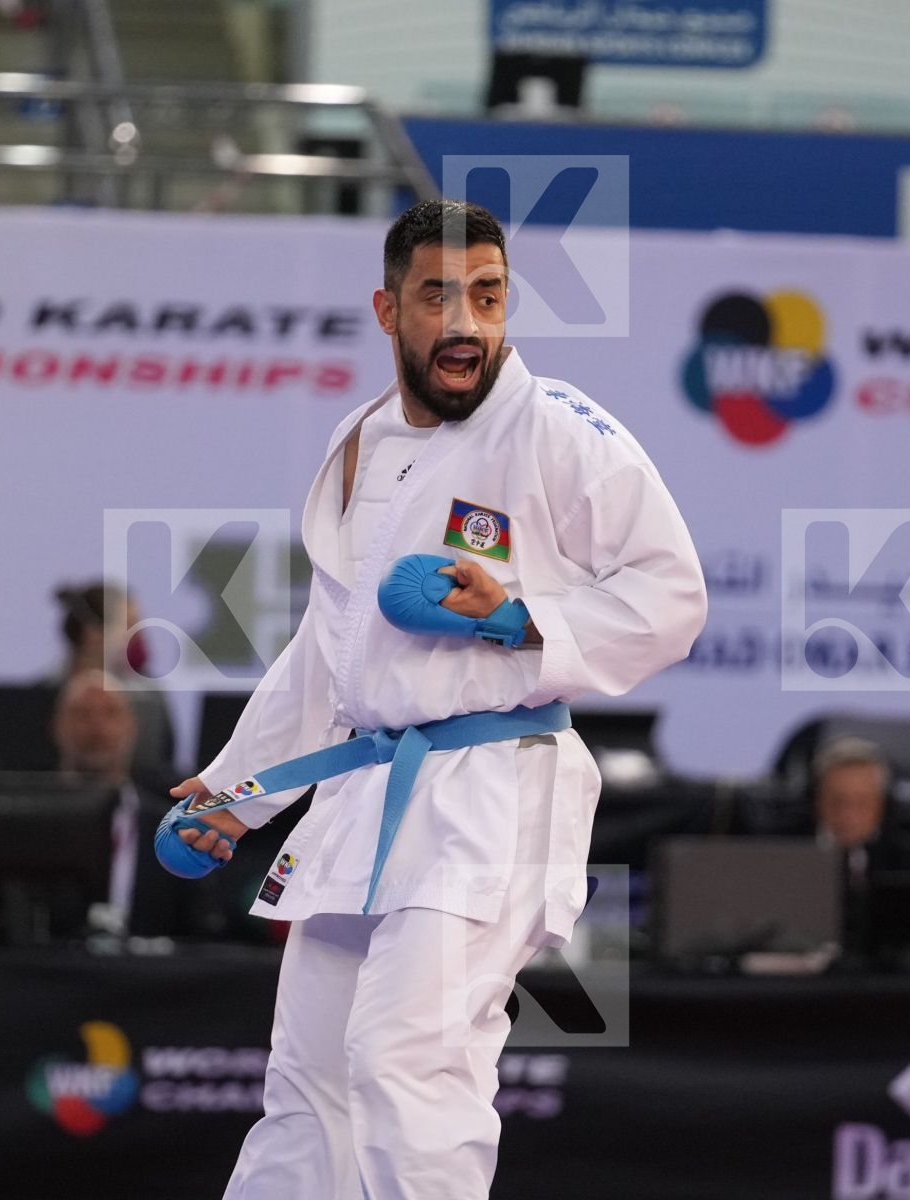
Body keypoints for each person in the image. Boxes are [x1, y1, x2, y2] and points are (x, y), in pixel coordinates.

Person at [159, 199, 707, 1199]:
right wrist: (237, 792)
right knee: (308, 1074)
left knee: (405, 1062)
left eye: (488, 297)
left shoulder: (554, 428)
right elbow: (332, 649)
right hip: (368, 795)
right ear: (387, 309)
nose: (466, 322)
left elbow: (672, 597)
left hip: (492, 791)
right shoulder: (360, 441)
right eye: (438, 297)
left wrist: (518, 616)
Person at [51, 670, 241, 940]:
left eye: (110, 713)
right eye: (82, 713)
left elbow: (202, 933)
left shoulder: (171, 831)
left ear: (132, 727)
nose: (97, 727)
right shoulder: (27, 823)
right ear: (57, 726)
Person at [812, 735, 910, 962]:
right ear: (816, 800)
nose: (847, 815)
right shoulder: (776, 856)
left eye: (861, 802)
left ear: (881, 805)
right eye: (837, 801)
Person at [51, 580, 176, 773]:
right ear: (93, 633)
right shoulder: (45, 691)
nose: (137, 638)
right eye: (129, 626)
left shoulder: (150, 698)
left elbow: (162, 765)